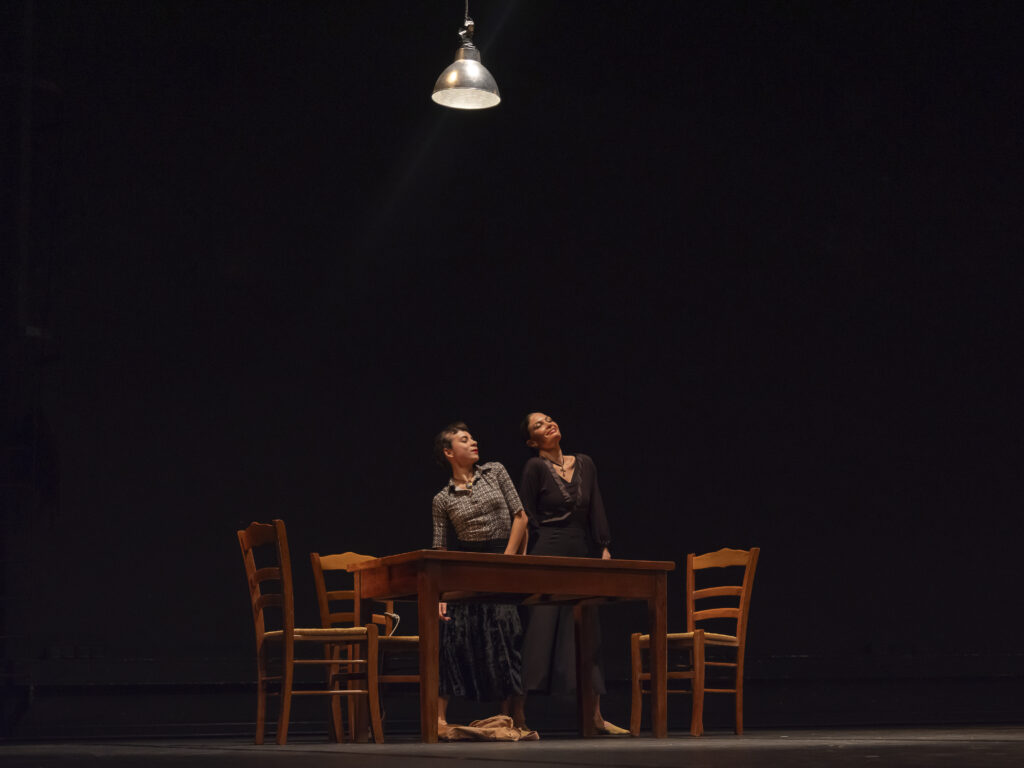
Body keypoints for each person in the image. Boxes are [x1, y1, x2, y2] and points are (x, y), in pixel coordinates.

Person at [517, 411, 627, 735]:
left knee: (587, 631)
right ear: (531, 441)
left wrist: (604, 546)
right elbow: (524, 514)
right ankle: (517, 715)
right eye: (539, 425)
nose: (548, 424)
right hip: (548, 551)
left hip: (580, 551)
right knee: (539, 631)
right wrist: (521, 560)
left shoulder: (585, 463)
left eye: (549, 419)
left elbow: (596, 508)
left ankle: (594, 715)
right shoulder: (534, 467)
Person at [432, 422, 529, 730]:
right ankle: (439, 718)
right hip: (469, 567)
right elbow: (440, 548)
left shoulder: (495, 471)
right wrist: (440, 595)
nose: (474, 442)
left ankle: (509, 716)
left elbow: (520, 516)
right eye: (464, 440)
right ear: (449, 452)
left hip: (505, 558)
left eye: (473, 437)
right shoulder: (442, 498)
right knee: (451, 634)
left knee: (506, 629)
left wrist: (506, 563)